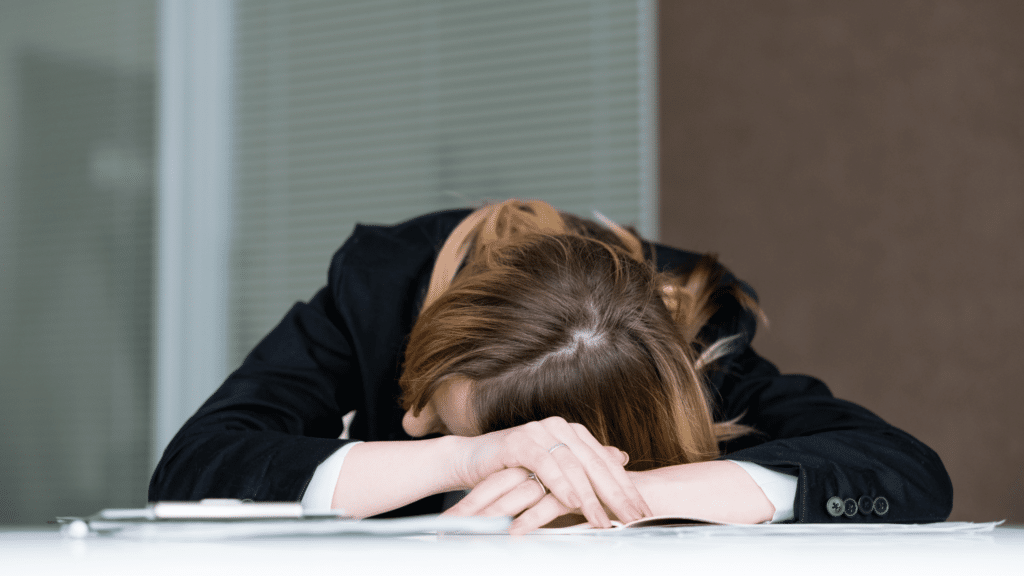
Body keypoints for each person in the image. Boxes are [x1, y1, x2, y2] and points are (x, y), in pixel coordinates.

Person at [149, 199, 953, 533]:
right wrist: (456, 458)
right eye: (441, 419)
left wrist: (627, 493)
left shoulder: (689, 328)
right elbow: (194, 467)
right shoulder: (376, 290)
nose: (418, 422)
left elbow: (904, 471)